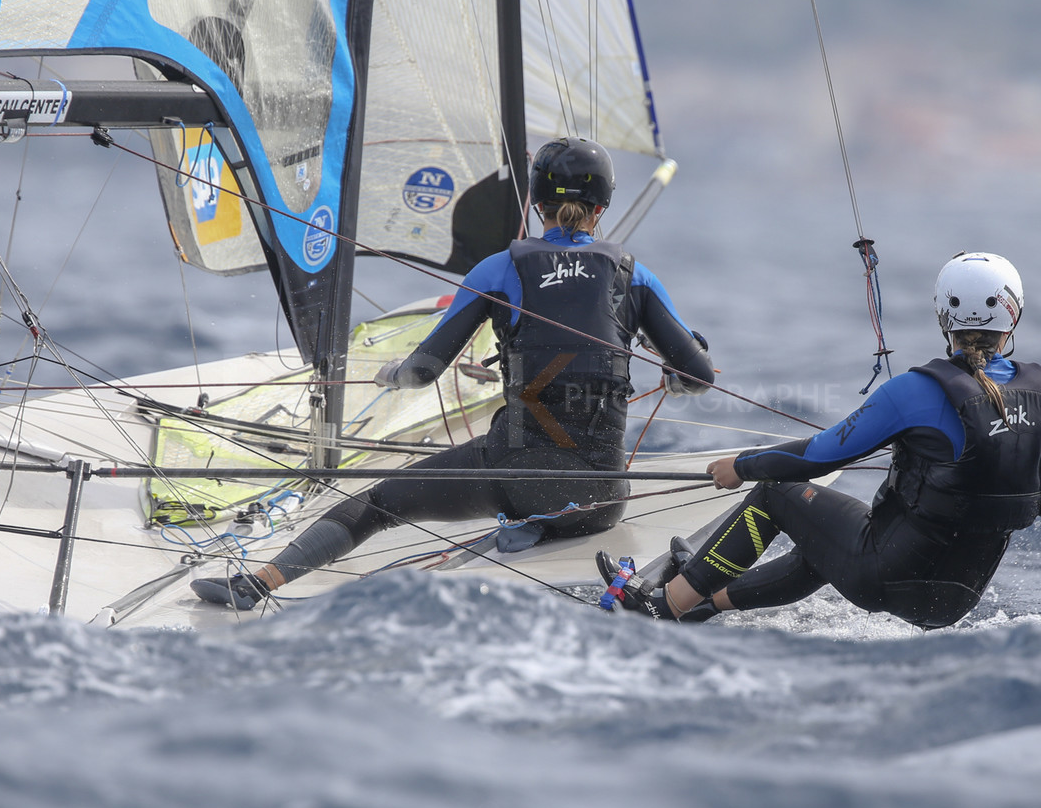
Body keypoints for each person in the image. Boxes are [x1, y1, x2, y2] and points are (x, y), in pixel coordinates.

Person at [193, 137, 714, 608]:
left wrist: (391, 374)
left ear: (536, 203)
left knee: (376, 503)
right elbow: (699, 374)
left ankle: (255, 585)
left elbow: (423, 373)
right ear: (601, 208)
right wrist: (675, 378)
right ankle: (536, 530)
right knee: (564, 480)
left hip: (517, 476)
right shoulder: (634, 274)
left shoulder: (499, 268)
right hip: (604, 501)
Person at [604, 251, 1041, 629]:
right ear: (1012, 319)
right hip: (953, 602)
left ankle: (664, 606)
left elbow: (818, 456)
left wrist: (743, 466)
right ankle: (710, 602)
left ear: (943, 317)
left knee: (776, 493)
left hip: (885, 579)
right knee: (826, 539)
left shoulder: (917, 392)